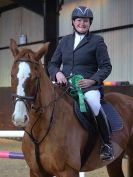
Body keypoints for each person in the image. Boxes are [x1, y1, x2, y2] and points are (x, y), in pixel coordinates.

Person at [48, 6, 113, 160]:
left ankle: (106, 143)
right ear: (73, 22)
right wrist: (57, 73)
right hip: (64, 86)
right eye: (79, 20)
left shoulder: (97, 41)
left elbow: (106, 66)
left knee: (94, 103)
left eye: (86, 21)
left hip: (87, 86)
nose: (82, 23)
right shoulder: (65, 41)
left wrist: (92, 80)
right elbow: (53, 63)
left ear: (90, 23)